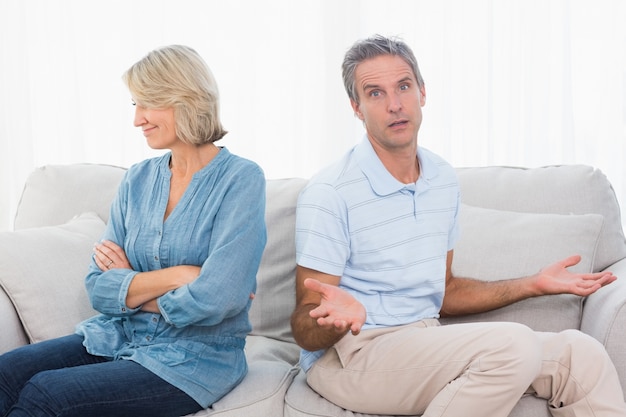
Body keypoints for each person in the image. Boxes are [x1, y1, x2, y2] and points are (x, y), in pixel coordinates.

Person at [291, 34, 626, 417]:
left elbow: (445, 292)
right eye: (375, 93)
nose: (395, 105)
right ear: (356, 107)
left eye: (403, 87)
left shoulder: (441, 179)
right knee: (514, 344)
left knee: (581, 355)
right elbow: (305, 323)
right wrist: (334, 322)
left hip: (421, 341)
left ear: (422, 92)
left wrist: (532, 284)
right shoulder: (331, 191)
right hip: (351, 356)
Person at [0, 45, 267, 416]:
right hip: (117, 334)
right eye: (134, 105)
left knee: (48, 394)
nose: (137, 119)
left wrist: (132, 283)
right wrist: (180, 276)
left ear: (184, 98)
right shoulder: (139, 178)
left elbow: (219, 299)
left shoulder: (241, 179)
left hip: (195, 359)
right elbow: (99, 287)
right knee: (5, 373)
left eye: (147, 103)